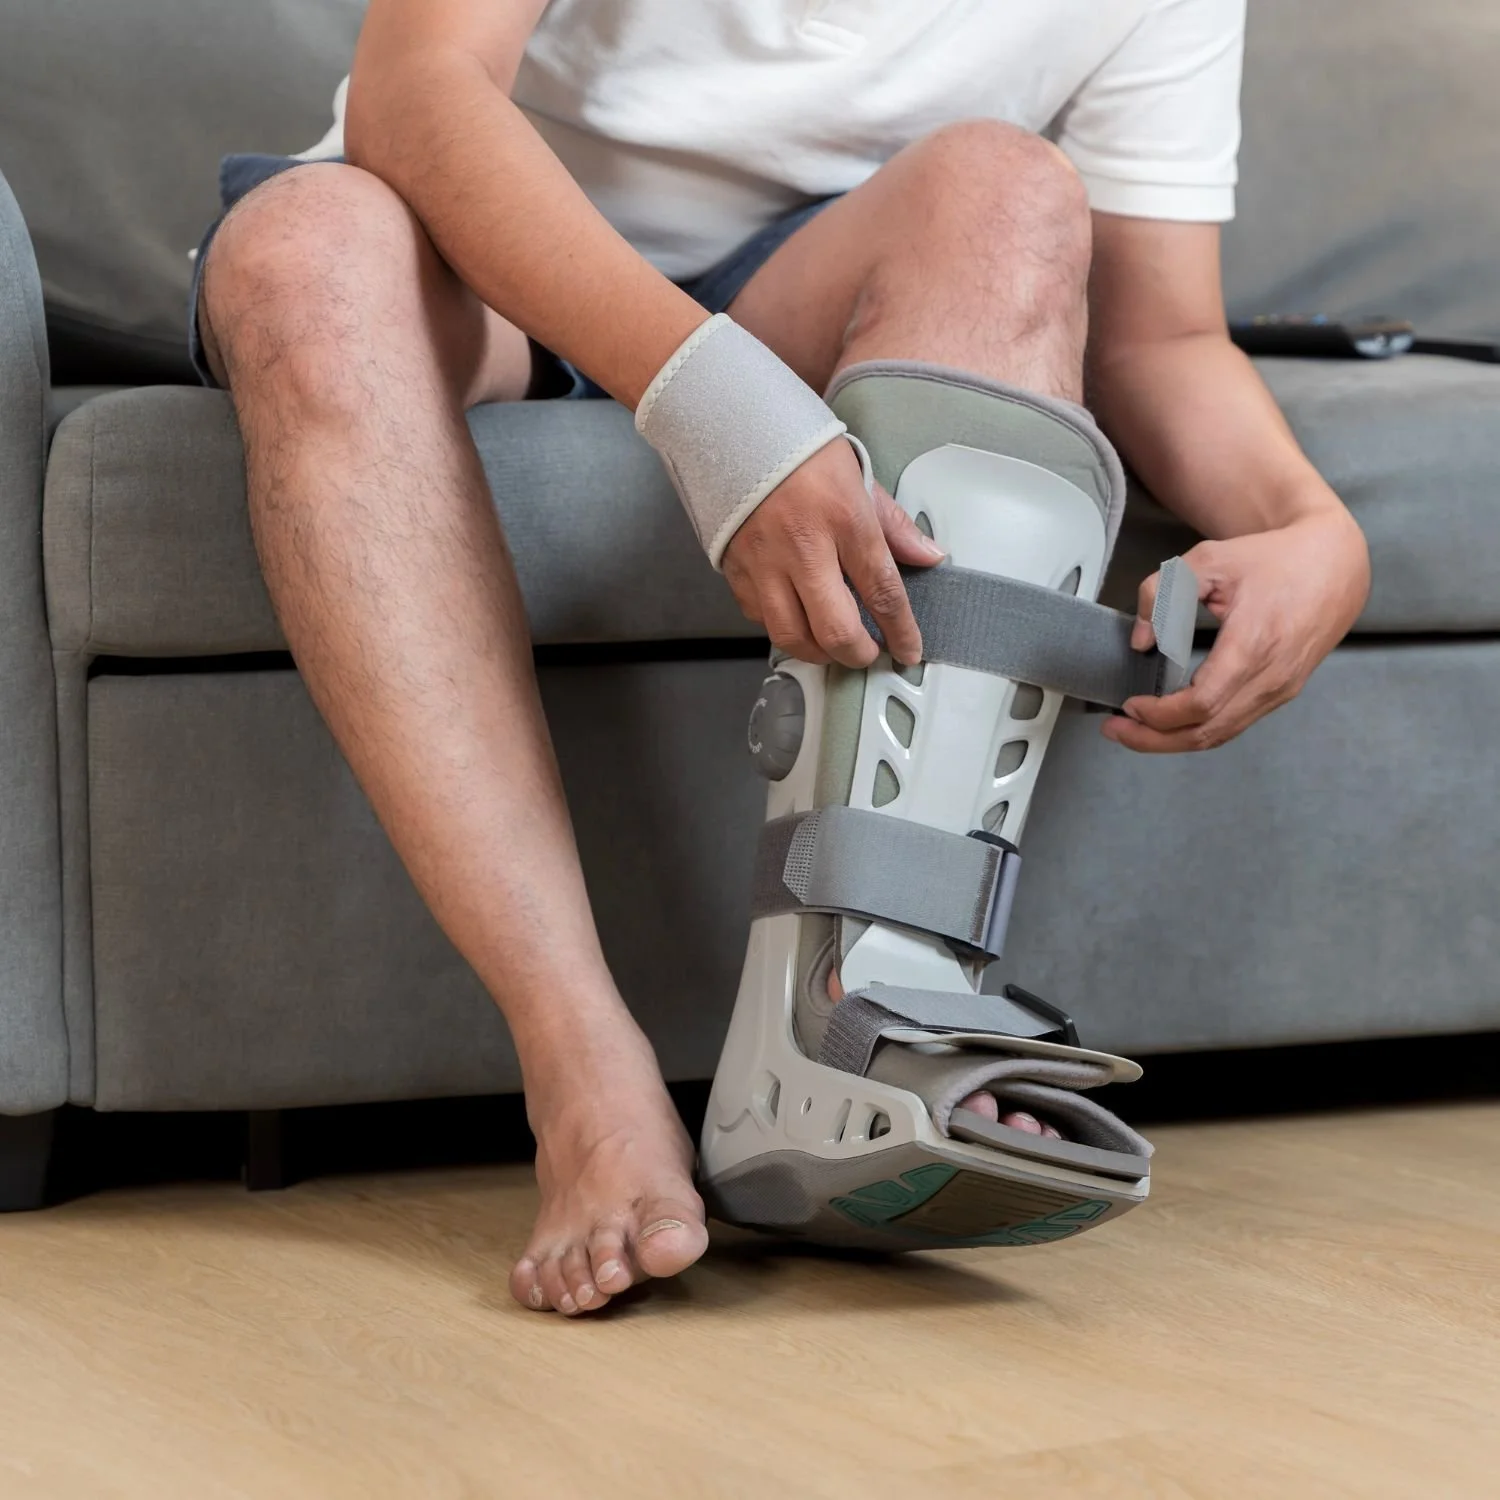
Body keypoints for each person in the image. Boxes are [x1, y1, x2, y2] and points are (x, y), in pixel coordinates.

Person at [189, 0, 1370, 1315]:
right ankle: (582, 1072)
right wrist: (712, 407)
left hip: (813, 282)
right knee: (302, 250)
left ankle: (860, 1019)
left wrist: (1310, 524)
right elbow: (416, 88)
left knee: (1011, 189)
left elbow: (1160, 336)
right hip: (469, 265)